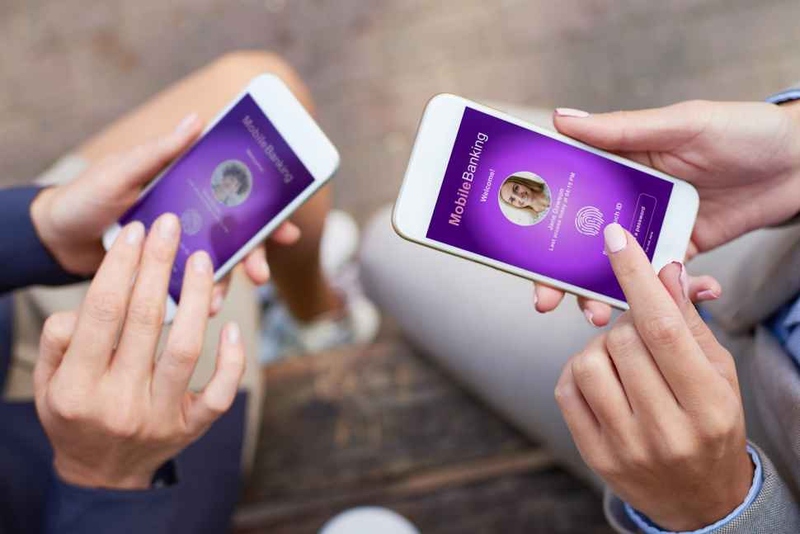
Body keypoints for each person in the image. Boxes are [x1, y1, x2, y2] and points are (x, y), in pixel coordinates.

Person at [361, 87, 800, 532]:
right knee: (476, 156)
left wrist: (717, 509)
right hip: (747, 231)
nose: (517, 200)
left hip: (741, 451)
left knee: (382, 251)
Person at [0, 51, 376, 532]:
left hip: (14, 296)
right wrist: (104, 478)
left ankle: (310, 320)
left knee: (260, 91)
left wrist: (39, 231)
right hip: (65, 491)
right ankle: (306, 323)